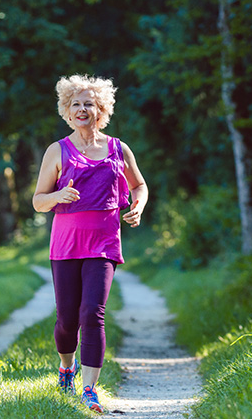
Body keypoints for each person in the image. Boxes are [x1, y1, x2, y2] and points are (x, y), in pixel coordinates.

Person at [32, 74, 148, 414]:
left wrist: (138, 206)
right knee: (67, 320)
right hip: (66, 246)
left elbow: (139, 186)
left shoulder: (118, 149)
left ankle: (89, 390)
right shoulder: (57, 150)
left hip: (104, 244)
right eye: (76, 104)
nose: (82, 109)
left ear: (102, 110)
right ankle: (66, 368)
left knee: (92, 314)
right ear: (66, 111)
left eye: (89, 104)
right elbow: (38, 201)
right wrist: (56, 196)